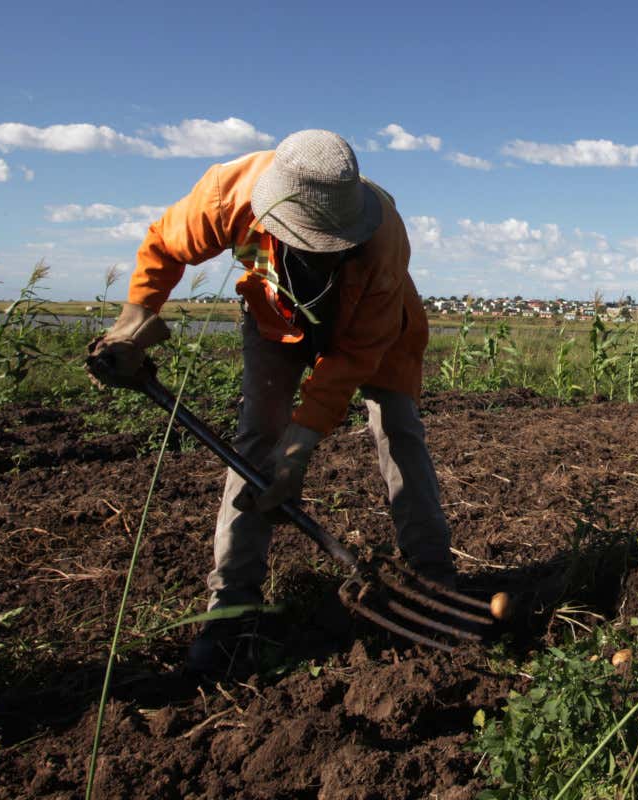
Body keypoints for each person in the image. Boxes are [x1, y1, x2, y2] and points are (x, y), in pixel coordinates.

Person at [86, 129, 455, 673]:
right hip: (274, 315)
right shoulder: (228, 192)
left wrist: (300, 447)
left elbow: (353, 360)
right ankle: (232, 604)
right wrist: (134, 322)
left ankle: (431, 575)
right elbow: (165, 245)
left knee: (397, 428)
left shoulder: (384, 242)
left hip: (378, 329)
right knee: (258, 434)